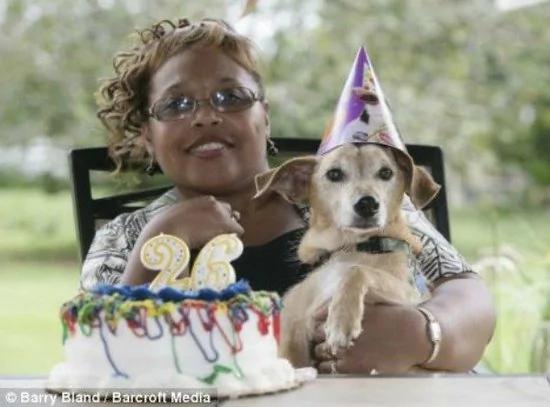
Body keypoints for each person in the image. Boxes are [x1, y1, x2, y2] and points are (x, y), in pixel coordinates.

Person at [82, 17, 495, 374]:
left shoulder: (356, 198)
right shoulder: (124, 237)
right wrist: (156, 241)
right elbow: (94, 362)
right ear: (147, 137)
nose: (205, 116)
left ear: (264, 115)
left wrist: (420, 334)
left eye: (230, 97)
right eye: (176, 104)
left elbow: (469, 295)